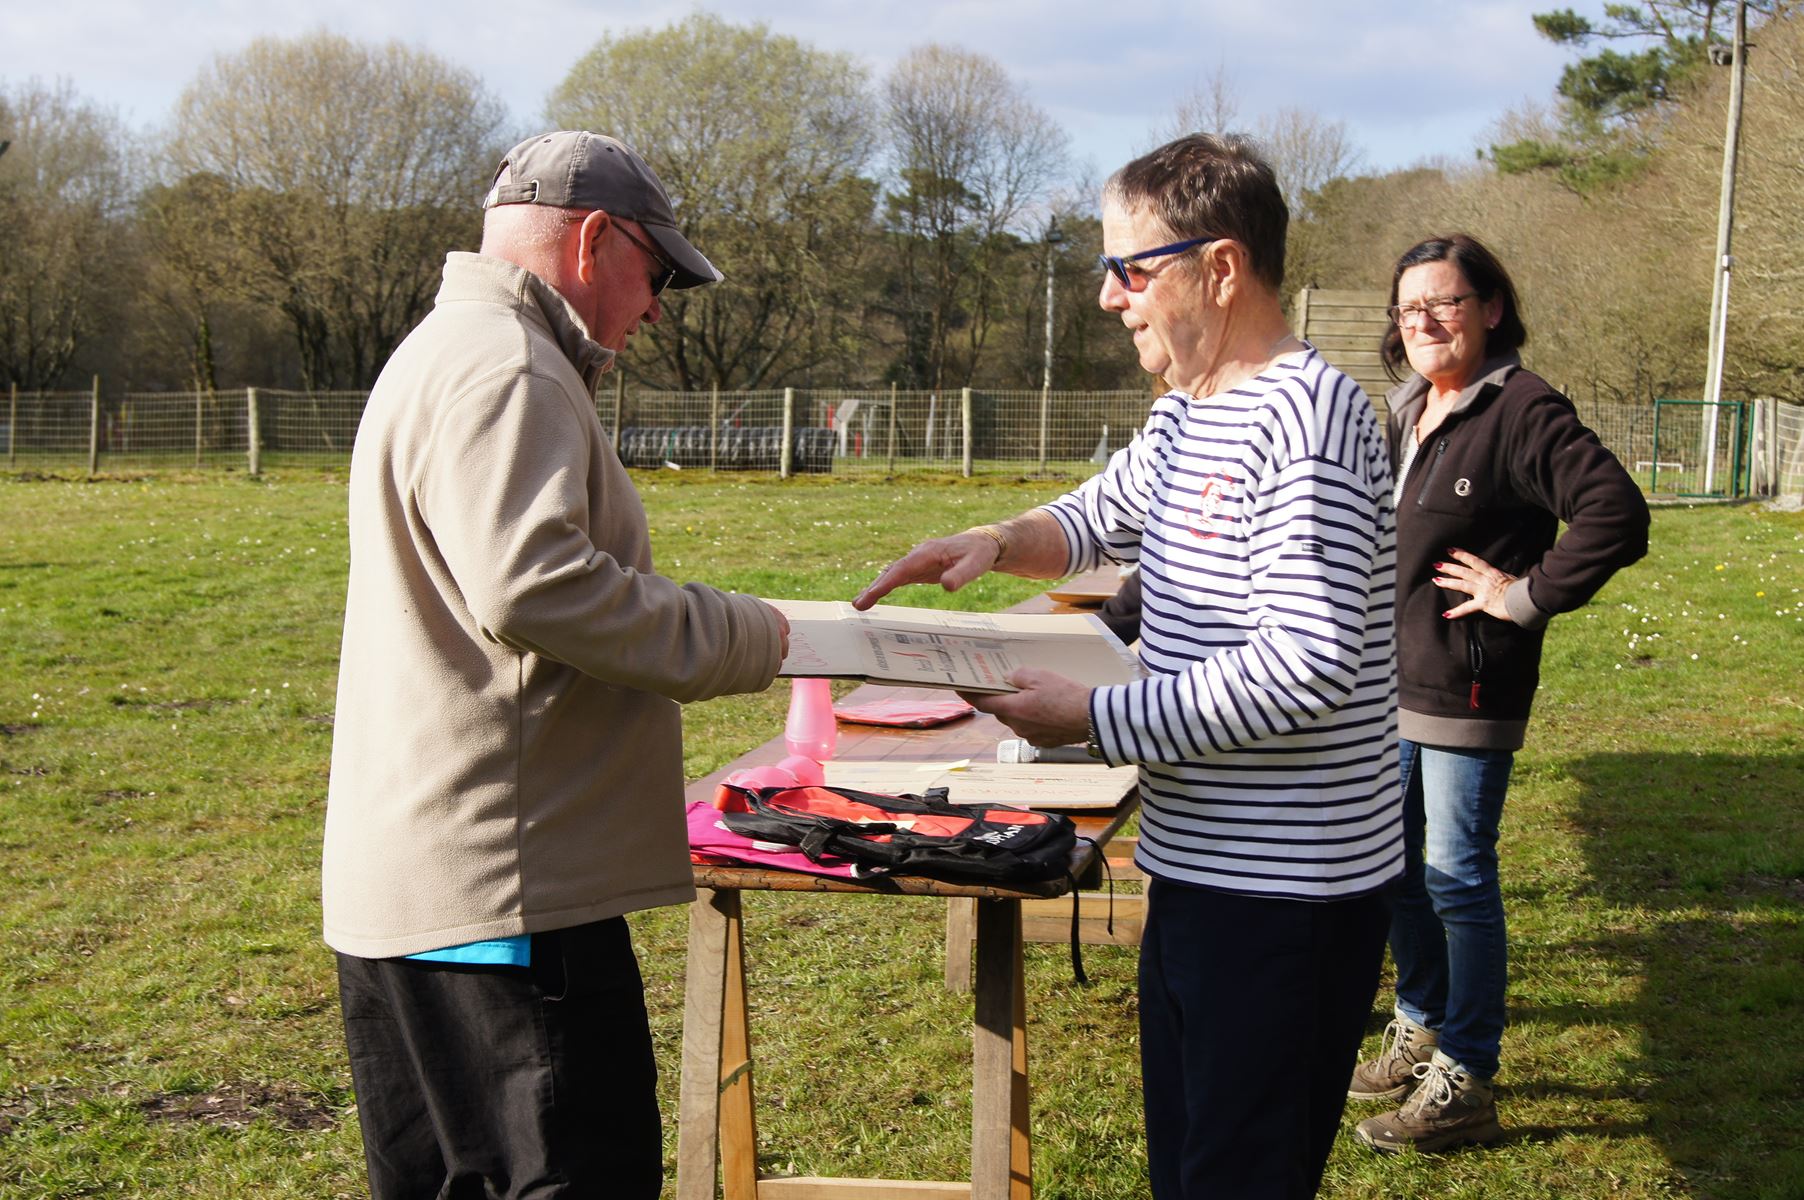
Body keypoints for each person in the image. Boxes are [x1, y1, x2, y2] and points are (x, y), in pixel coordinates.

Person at [855, 133, 1402, 1200]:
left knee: (1238, 1176)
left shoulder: (1308, 418)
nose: (1111, 297)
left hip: (1287, 896)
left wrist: (1095, 719)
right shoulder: (1193, 410)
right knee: (1192, 1167)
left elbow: (1307, 666)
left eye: (1132, 268)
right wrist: (995, 540)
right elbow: (1104, 512)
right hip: (1203, 872)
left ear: (1223, 267)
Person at [321, 130, 788, 1200]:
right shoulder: (507, 363)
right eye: (656, 271)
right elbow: (534, 585)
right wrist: (751, 635)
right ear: (592, 240)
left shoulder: (449, 347)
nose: (659, 304)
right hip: (504, 896)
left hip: (427, 883)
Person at [1348, 233, 1649, 1154]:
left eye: (1444, 301)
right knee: (1397, 869)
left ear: (1489, 307)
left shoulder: (1520, 406)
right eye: (1410, 309)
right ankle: (1422, 1022)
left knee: (1457, 877)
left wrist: (1519, 597)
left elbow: (1616, 513)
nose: (1426, 320)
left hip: (1466, 688)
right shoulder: (1407, 408)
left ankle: (1467, 1078)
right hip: (1392, 685)